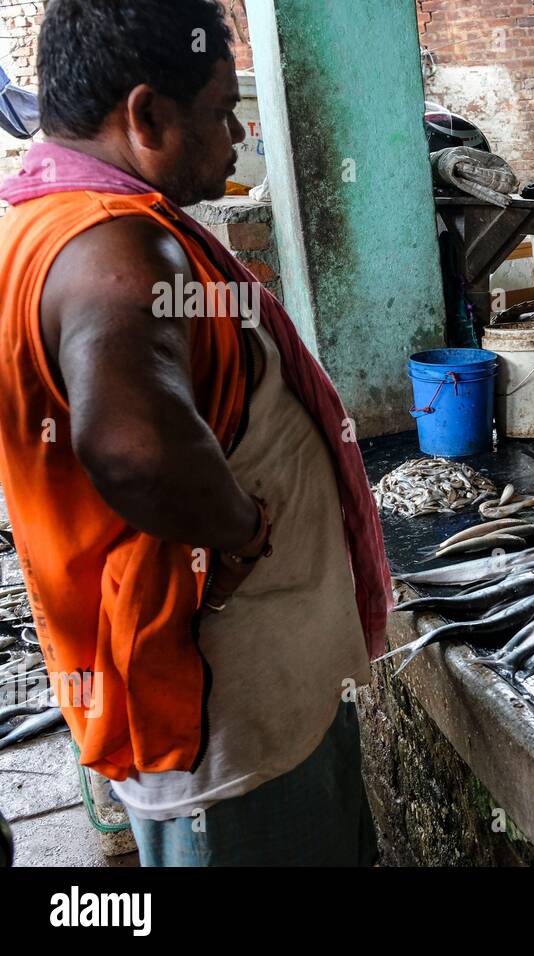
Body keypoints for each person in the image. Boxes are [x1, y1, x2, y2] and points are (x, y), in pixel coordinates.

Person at [0, 0, 390, 865]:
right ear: (146, 115)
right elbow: (134, 448)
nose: (238, 129)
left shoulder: (41, 224)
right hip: (231, 721)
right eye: (221, 109)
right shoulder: (118, 249)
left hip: (206, 696)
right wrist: (244, 535)